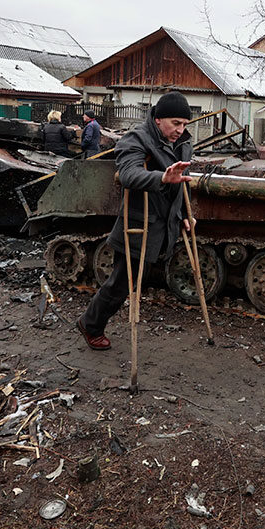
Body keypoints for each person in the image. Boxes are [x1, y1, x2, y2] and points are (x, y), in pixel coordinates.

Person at [75, 92, 194, 350]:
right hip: (139, 225)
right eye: (176, 123)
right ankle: (90, 324)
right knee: (121, 284)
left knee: (132, 282)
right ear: (159, 118)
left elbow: (184, 181)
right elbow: (128, 174)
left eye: (185, 124)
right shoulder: (137, 139)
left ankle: (92, 322)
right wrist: (162, 178)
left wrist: (186, 214)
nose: (181, 129)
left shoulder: (184, 142)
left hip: (166, 224)